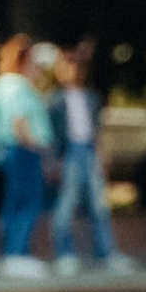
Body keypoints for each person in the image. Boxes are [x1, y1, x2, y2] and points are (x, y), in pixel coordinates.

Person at [48, 46, 135, 277]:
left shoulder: (90, 97)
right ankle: (65, 254)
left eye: (74, 67)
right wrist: (54, 161)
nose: (70, 72)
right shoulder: (55, 100)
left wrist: (100, 154)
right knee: (67, 203)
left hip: (88, 150)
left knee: (99, 204)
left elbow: (96, 130)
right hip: (69, 152)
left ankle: (106, 252)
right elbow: (52, 135)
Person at [0, 34, 56, 278]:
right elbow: (20, 121)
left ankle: (13, 254)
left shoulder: (7, 83)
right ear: (23, 60)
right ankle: (17, 254)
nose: (38, 67)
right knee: (28, 202)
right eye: (33, 61)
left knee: (15, 202)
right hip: (23, 149)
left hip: (15, 149)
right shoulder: (16, 85)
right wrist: (38, 147)